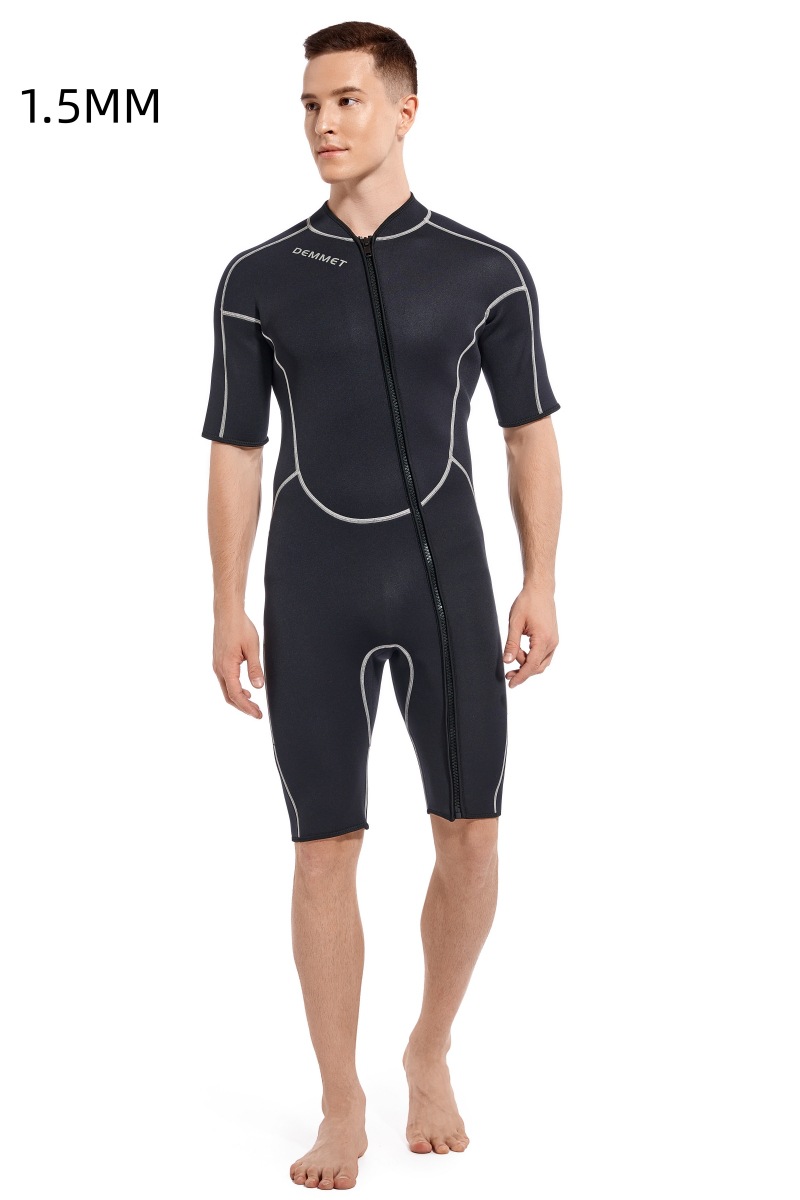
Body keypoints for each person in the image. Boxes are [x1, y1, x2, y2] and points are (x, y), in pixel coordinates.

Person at [202, 19, 563, 1191]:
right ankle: (339, 1100)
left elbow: (526, 435)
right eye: (309, 105)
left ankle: (428, 1048)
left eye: (346, 101)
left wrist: (539, 579)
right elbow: (235, 450)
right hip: (311, 586)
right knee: (323, 850)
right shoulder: (256, 279)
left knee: (471, 836)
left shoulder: (483, 269)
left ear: (405, 110)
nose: (323, 124)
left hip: (445, 584)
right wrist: (225, 603)